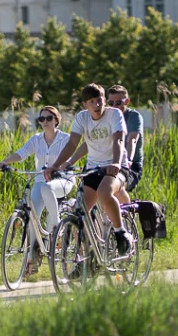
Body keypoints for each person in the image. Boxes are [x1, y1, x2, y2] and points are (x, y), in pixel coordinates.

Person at [44, 82, 133, 256]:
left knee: (105, 192)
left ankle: (121, 233)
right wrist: (56, 165)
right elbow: (72, 143)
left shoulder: (114, 114)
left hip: (116, 167)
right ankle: (85, 256)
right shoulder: (82, 118)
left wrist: (116, 162)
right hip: (93, 168)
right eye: (91, 101)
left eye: (99, 100)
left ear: (105, 100)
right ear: (85, 105)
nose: (96, 105)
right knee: (80, 210)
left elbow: (119, 139)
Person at [0, 105, 73, 275]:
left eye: (49, 118)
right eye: (41, 119)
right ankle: (32, 258)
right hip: (40, 180)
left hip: (63, 180)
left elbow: (71, 158)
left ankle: (55, 227)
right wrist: (5, 162)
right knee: (32, 217)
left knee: (47, 188)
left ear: (56, 120)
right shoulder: (36, 139)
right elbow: (22, 153)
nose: (45, 121)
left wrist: (58, 168)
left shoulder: (66, 139)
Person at [106, 84, 144, 193]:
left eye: (118, 103)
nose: (114, 107)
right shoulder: (106, 117)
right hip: (108, 162)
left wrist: (128, 160)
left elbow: (132, 139)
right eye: (110, 103)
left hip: (131, 165)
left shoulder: (133, 117)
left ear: (126, 102)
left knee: (113, 186)